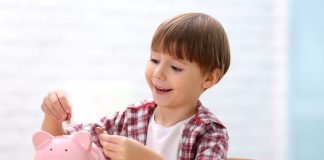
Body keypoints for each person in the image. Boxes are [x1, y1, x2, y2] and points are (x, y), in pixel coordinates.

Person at [40, 12, 231, 160]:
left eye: (175, 67)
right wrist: (53, 114)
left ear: (209, 78)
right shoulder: (130, 118)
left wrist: (145, 157)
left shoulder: (211, 133)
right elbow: (63, 145)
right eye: (155, 60)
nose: (158, 74)